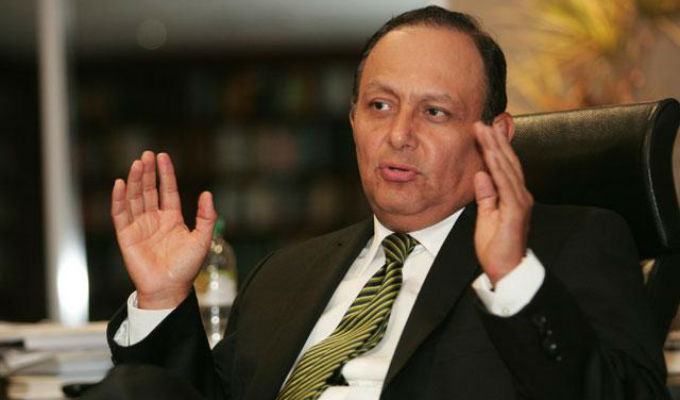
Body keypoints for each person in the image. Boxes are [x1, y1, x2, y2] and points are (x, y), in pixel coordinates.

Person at [91, 6, 667, 400]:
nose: (399, 135)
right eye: (380, 106)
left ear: (495, 135)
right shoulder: (285, 275)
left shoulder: (567, 246)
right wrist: (162, 299)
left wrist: (512, 277)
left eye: (434, 111)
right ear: (352, 121)